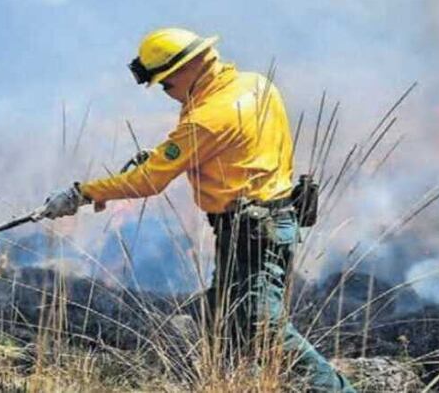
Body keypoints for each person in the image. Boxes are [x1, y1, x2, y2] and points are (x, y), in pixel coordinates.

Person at [40, 27, 355, 392]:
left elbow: (149, 182)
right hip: (270, 221)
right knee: (222, 320)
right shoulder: (256, 84)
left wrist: (83, 192)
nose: (167, 93)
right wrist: (171, 158)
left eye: (165, 85)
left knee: (261, 327)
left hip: (250, 233)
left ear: (185, 69)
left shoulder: (208, 117)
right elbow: (236, 150)